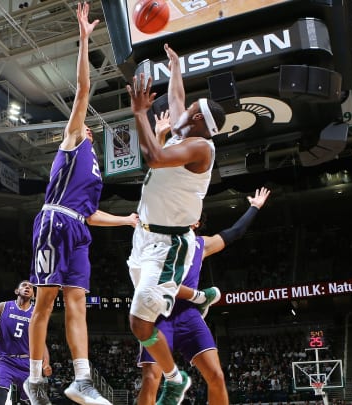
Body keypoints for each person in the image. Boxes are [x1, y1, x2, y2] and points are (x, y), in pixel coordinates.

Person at [25, 3, 139, 405]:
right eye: (83, 123)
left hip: (78, 228)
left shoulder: (94, 168)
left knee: (78, 302)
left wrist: (126, 221)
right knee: (46, 301)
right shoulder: (72, 142)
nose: (86, 125)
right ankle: (35, 379)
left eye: (88, 126)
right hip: (53, 224)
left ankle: (81, 379)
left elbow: (90, 213)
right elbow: (83, 91)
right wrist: (85, 39)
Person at [126, 43, 226, 405]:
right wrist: (176, 67)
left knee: (139, 324)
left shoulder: (200, 148)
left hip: (169, 246)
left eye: (192, 110)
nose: (181, 109)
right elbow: (177, 96)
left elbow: (153, 157)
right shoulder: (189, 132)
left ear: (199, 120)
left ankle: (174, 378)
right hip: (144, 237)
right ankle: (174, 373)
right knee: (142, 323)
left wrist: (140, 113)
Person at [137, 187, 271, 405]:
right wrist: (201, 296)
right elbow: (161, 285)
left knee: (217, 377)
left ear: (196, 223)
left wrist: (254, 207)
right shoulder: (159, 242)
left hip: (188, 317)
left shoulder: (202, 245)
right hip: (157, 316)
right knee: (151, 379)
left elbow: (235, 232)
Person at [0, 281, 50, 405]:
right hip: (4, 361)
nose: (27, 287)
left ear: (33, 295)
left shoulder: (37, 315)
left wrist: (46, 363)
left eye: (31, 287)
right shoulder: (3, 307)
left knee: (29, 401)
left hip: (27, 364)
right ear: (17, 291)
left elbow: (41, 342)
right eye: (24, 285)